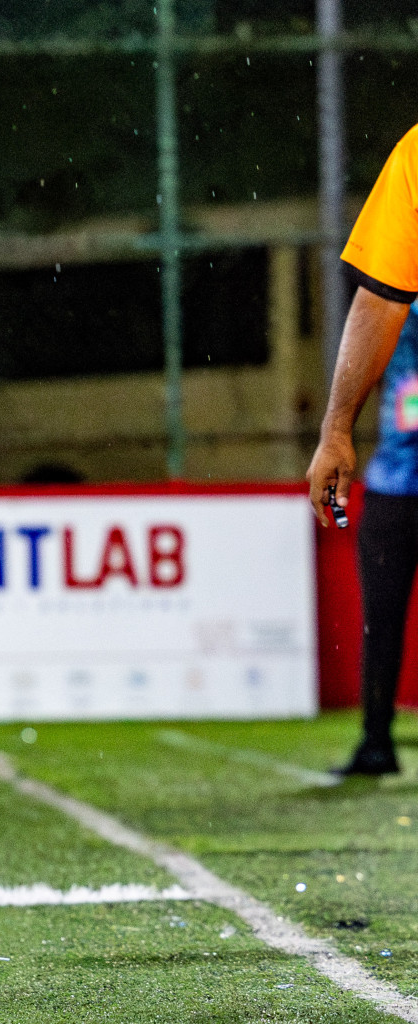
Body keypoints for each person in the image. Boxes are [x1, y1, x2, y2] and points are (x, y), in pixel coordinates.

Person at [306, 122, 418, 777]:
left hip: (397, 474)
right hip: (400, 476)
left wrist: (336, 428)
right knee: (382, 618)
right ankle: (375, 737)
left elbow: (379, 294)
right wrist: (339, 427)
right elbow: (380, 298)